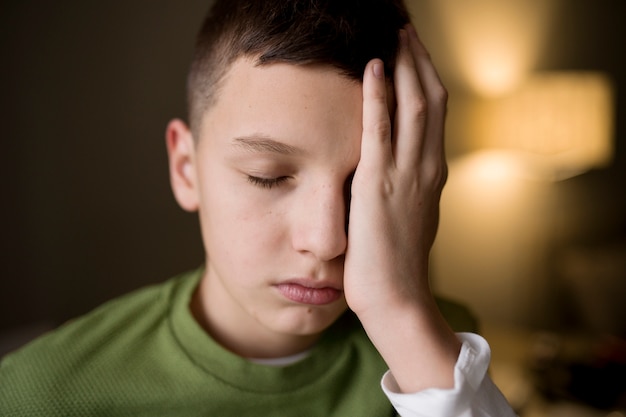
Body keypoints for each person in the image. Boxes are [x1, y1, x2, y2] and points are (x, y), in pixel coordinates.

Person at [0, 1, 517, 415]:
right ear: (186, 168)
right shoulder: (35, 395)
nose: (326, 239)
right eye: (266, 177)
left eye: (364, 185)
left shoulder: (435, 341)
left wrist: (403, 318)